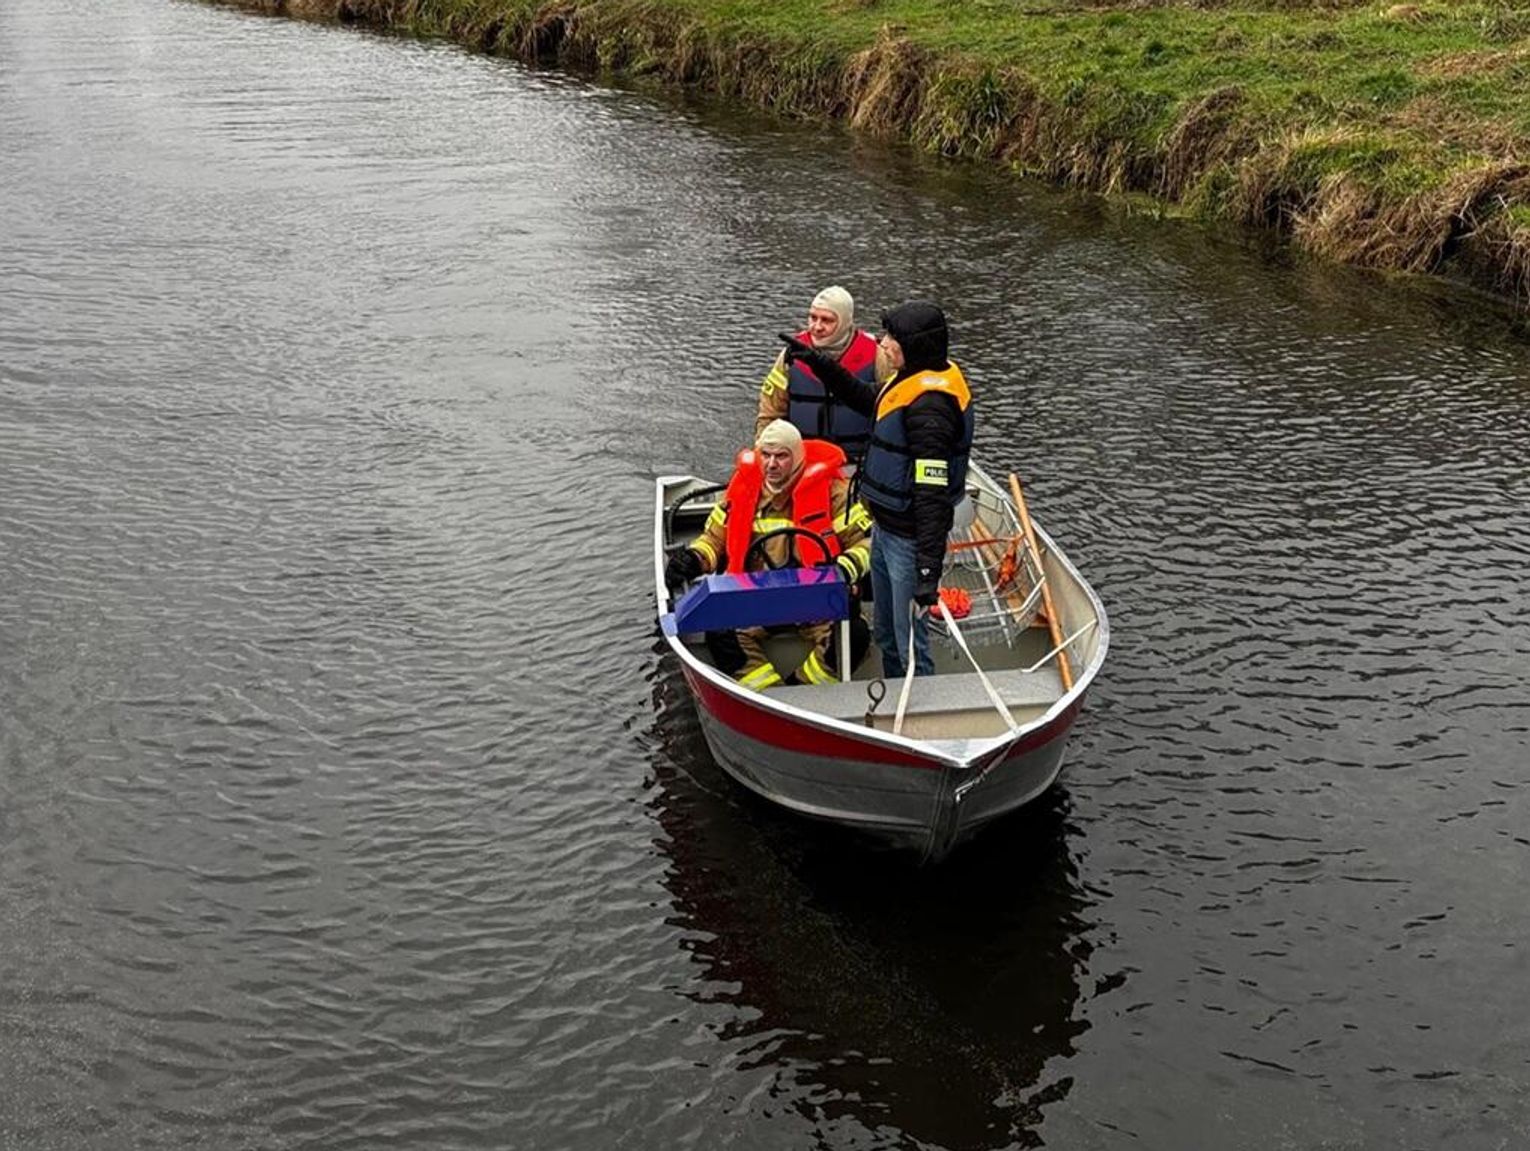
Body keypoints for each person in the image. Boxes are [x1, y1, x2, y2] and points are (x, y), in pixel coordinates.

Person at [780, 301, 973, 679]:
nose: (882, 344)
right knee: (886, 632)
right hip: (884, 530)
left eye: (891, 339)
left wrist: (928, 570)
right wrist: (818, 363)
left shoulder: (931, 409)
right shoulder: (910, 379)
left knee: (909, 642)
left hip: (908, 541)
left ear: (912, 347)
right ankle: (891, 692)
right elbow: (867, 398)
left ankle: (918, 711)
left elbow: (932, 496)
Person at [665, 420, 872, 691]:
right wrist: (694, 559)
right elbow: (715, 540)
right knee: (720, 632)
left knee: (855, 635)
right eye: (766, 455)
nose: (771, 464)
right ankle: (766, 695)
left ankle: (805, 689)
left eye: (781, 456)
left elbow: (868, 544)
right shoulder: (741, 492)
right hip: (757, 599)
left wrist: (844, 569)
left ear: (797, 457)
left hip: (815, 600)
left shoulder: (834, 494)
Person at [755, 286, 880, 462]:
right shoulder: (791, 354)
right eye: (813, 318)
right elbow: (770, 411)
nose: (817, 327)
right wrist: (765, 454)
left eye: (827, 320)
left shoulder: (877, 354)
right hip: (801, 462)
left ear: (845, 321)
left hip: (856, 463)